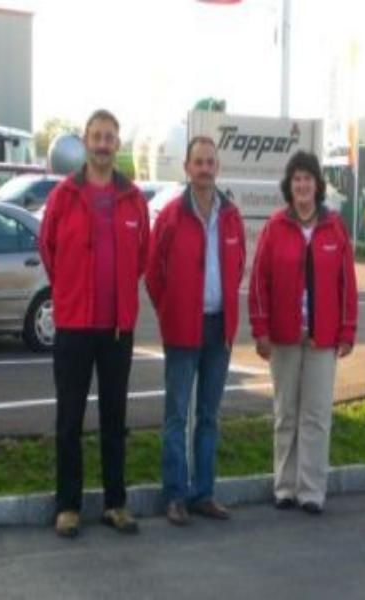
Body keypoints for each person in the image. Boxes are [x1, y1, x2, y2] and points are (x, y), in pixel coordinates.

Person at [38, 109, 149, 537]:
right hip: (74, 327)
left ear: (117, 144)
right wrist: (71, 292)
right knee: (69, 420)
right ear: (86, 142)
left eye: (109, 137)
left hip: (117, 329)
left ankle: (115, 503)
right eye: (96, 136)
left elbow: (142, 255)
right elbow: (48, 249)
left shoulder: (133, 198)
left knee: (114, 420)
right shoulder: (64, 196)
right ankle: (68, 506)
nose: (103, 144)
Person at [249, 150, 357, 515]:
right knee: (286, 415)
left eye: (308, 178)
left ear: (317, 184)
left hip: (323, 338)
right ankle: (284, 487)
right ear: (289, 185)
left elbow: (347, 285)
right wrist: (260, 330)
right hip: (283, 336)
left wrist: (347, 331)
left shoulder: (334, 228)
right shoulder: (275, 227)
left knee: (316, 416)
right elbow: (259, 281)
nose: (302, 185)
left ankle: (311, 490)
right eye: (296, 179)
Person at [146, 136, 246, 526]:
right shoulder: (171, 216)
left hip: (218, 329)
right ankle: (174, 495)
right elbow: (154, 274)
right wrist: (169, 311)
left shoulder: (231, 216)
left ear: (217, 168)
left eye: (210, 162)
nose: (204, 168)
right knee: (175, 416)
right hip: (182, 331)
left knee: (209, 416)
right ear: (187, 169)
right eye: (198, 162)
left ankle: (203, 493)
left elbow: (235, 268)